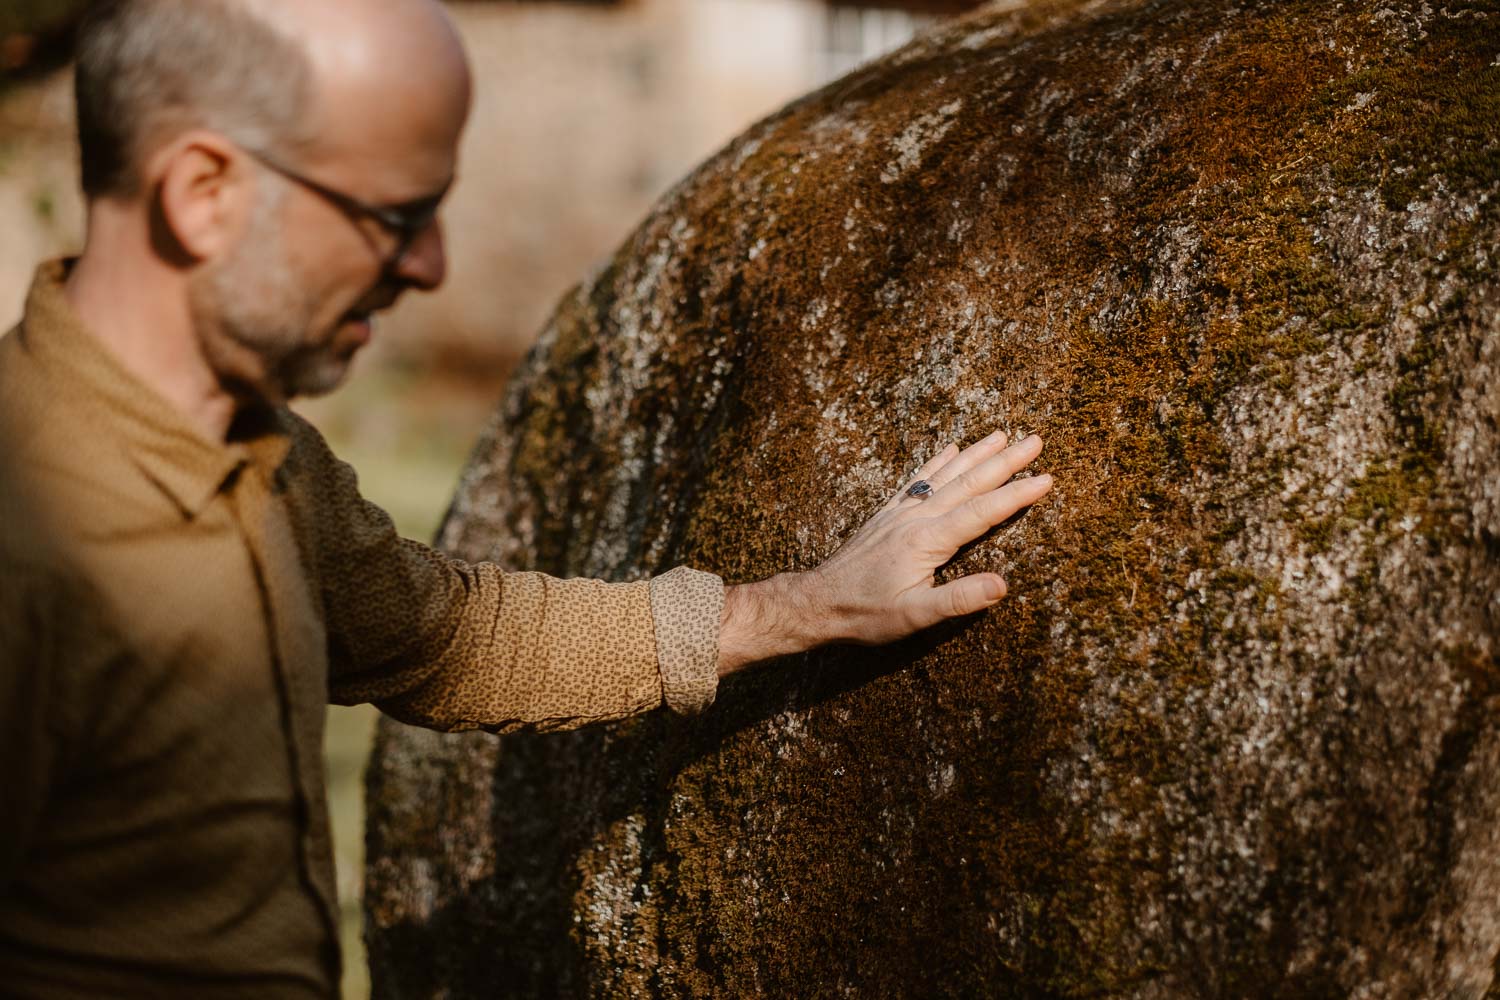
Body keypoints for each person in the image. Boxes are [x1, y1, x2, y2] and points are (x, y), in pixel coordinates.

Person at [0, 0, 1054, 996]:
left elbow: (447, 635)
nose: (432, 264)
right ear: (203, 194)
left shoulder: (260, 453)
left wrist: (813, 604)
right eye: (396, 214)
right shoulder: (28, 539)